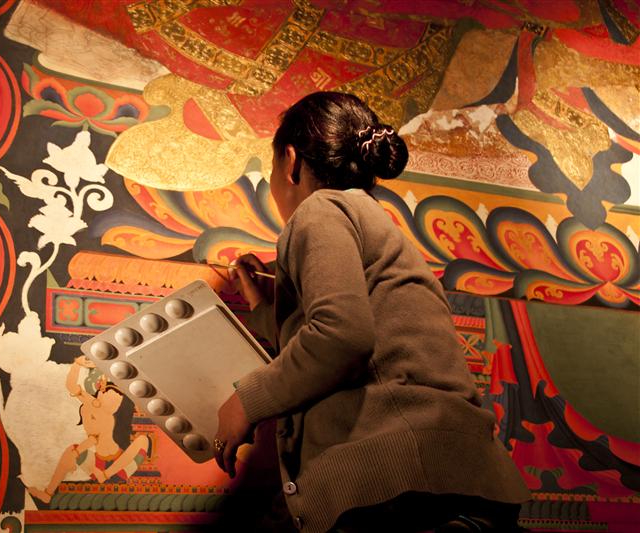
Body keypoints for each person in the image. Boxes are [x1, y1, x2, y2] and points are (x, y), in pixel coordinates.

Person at [212, 92, 530, 532]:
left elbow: (339, 336)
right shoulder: (373, 221)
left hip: (394, 489)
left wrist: (245, 402)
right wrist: (264, 306)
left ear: (290, 162)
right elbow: (332, 328)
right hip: (457, 477)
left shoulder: (319, 210)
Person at [27, 356, 151, 504]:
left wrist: (79, 453)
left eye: (117, 401)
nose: (115, 403)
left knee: (143, 440)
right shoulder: (92, 407)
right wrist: (77, 364)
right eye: (112, 397)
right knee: (70, 451)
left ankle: (105, 475)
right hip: (98, 466)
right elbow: (72, 387)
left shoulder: (107, 416)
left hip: (119, 468)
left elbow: (93, 438)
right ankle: (48, 493)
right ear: (100, 394)